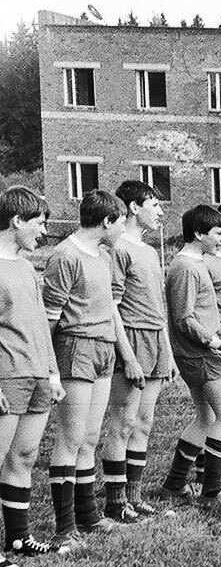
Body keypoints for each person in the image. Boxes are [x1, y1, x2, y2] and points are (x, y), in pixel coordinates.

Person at [41, 189, 130, 548]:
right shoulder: (65, 255)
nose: (122, 230)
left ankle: (88, 516)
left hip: (103, 349)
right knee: (71, 437)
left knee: (90, 436)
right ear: (106, 221)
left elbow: (110, 306)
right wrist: (48, 368)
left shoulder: (104, 255)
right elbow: (48, 318)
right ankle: (64, 529)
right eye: (120, 223)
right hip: (74, 348)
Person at [158, 205, 221, 510]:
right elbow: (184, 319)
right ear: (198, 234)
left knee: (207, 417)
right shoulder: (185, 266)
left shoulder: (196, 263)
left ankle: (173, 485)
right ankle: (211, 492)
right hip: (201, 353)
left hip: (203, 352)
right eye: (218, 233)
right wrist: (219, 344)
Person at [0, 186, 66, 565]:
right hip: (8, 376)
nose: (43, 232)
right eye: (39, 224)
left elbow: (41, 324)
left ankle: (19, 539)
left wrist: (53, 372)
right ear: (16, 221)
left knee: (23, 456)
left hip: (38, 374)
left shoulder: (27, 267)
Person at [100, 179, 173, 522]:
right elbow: (112, 307)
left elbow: (158, 307)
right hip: (131, 339)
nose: (160, 212)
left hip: (155, 339)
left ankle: (134, 497)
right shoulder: (118, 249)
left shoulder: (150, 249)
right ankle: (114, 503)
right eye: (154, 205)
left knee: (143, 421)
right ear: (133, 208)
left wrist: (168, 351)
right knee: (123, 421)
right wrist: (127, 356)